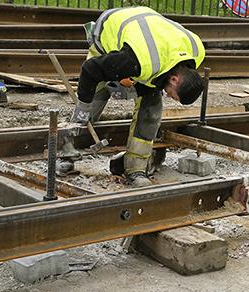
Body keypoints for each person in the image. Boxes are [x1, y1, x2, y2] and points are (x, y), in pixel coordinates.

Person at [59, 6, 206, 187]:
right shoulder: (136, 62)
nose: (169, 96)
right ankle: (66, 153)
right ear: (175, 79)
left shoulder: (196, 51)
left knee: (152, 109)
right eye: (173, 95)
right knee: (94, 98)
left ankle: (136, 169)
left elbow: (153, 76)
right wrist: (83, 105)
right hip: (110, 29)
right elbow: (89, 70)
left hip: (147, 42)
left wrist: (134, 87)